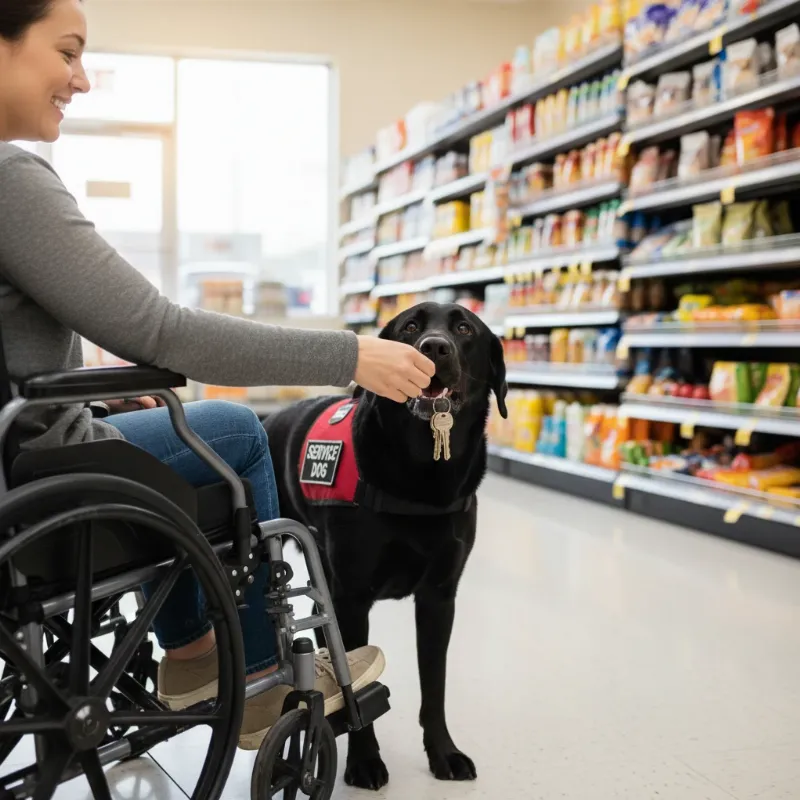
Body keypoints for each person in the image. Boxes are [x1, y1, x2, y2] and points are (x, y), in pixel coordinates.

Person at [0, 0, 436, 750]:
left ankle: (192, 656)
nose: (82, 79)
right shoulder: (12, 182)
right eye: (67, 52)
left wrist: (96, 384)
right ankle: (257, 670)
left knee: (157, 431)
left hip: (17, 456)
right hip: (38, 477)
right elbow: (167, 331)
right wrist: (350, 355)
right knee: (232, 429)